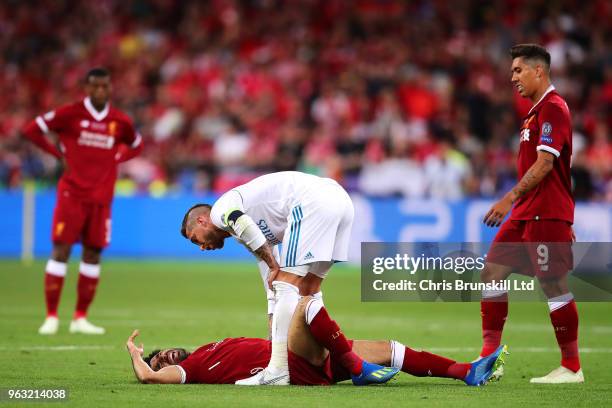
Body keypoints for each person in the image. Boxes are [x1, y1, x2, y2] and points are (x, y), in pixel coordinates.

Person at [180, 171, 397, 385]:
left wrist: (275, 267)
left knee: (286, 283)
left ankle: (277, 370)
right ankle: (351, 364)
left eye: (194, 239)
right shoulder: (245, 232)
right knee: (308, 289)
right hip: (340, 201)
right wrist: (272, 329)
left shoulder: (220, 211)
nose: (200, 246)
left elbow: (242, 223)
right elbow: (270, 282)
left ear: (202, 221)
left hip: (313, 200)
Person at [480, 44, 582, 383]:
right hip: (527, 214)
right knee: (492, 272)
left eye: (518, 71)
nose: (513, 78)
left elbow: (546, 163)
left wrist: (508, 198)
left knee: (553, 284)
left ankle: (571, 367)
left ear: (539, 71)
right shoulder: (534, 113)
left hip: (544, 213)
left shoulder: (554, 108)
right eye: (512, 72)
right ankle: (488, 359)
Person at [126, 296, 507, 386]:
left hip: (299, 359)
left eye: (161, 352)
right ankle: (358, 370)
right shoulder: (190, 370)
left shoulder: (208, 348)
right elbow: (148, 378)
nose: (165, 356)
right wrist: (140, 361)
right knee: (306, 302)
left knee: (390, 349)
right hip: (296, 364)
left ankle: (467, 372)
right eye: (161, 360)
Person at [22, 67, 143, 335]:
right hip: (72, 194)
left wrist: (118, 158)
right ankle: (51, 316)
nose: (101, 91)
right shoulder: (70, 113)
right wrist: (56, 154)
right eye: (95, 86)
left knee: (93, 253)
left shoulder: (119, 120)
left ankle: (80, 317)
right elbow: (32, 130)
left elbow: (137, 144)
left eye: (105, 86)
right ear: (87, 88)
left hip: (101, 198)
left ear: (110, 88)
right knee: (61, 250)